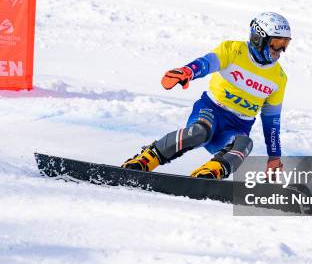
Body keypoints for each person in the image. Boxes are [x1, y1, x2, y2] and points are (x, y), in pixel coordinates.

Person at [121, 11, 290, 179]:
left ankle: (208, 174)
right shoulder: (233, 50)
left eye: (285, 44)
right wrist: (187, 71)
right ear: (258, 38)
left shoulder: (279, 78)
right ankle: (146, 159)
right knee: (199, 132)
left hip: (237, 126)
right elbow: (207, 63)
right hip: (211, 111)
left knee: (245, 144)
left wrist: (274, 157)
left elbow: (272, 122)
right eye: (276, 42)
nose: (280, 50)